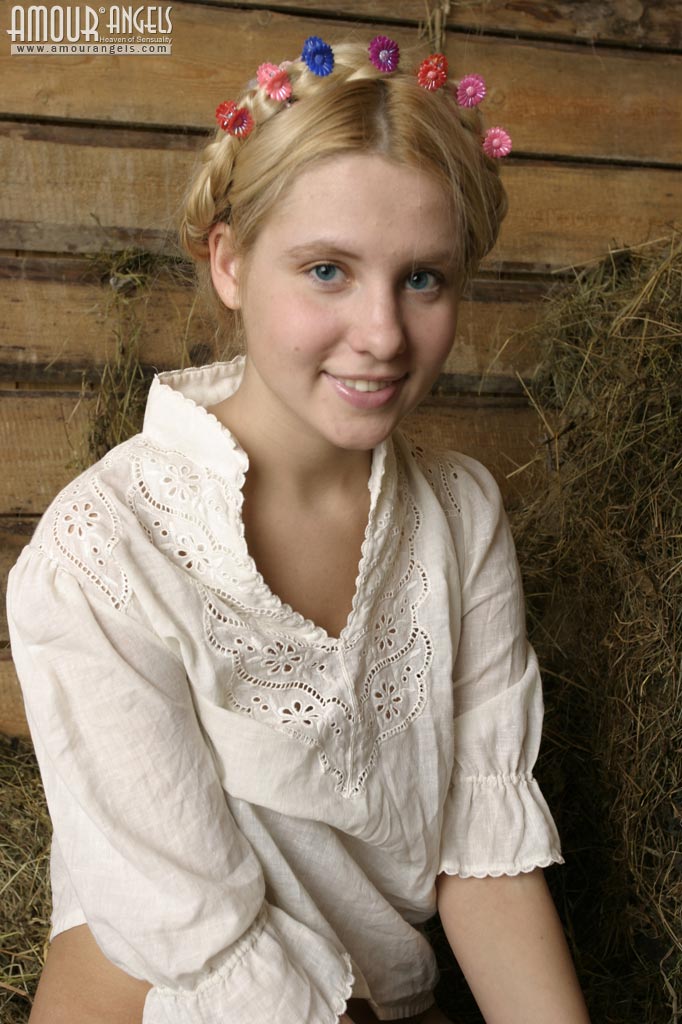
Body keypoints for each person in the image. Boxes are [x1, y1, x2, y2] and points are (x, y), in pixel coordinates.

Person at [7, 37, 591, 1023]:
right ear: (230, 264)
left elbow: (481, 854)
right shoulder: (99, 549)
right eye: (326, 270)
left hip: (377, 1000)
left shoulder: (460, 513)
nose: (381, 334)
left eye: (423, 279)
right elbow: (201, 930)